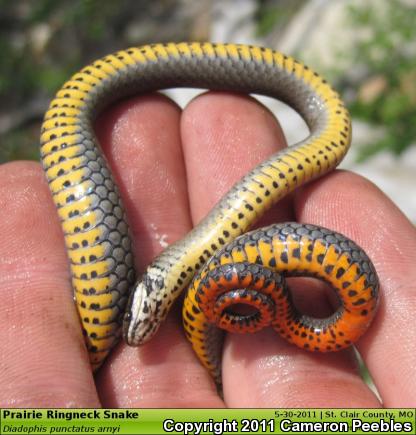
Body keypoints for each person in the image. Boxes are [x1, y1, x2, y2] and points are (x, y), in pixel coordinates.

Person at [0, 91, 415, 408]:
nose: (141, 326)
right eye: (140, 319)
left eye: (139, 315)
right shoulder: (186, 292)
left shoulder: (176, 280)